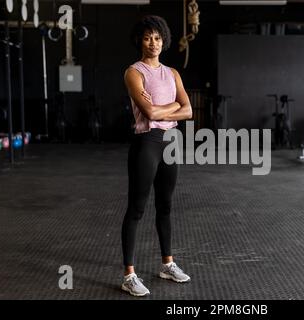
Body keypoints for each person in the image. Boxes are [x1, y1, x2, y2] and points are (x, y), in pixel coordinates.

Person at [121, 15, 193, 297]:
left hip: (170, 141)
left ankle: (167, 264)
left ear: (164, 41)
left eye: (159, 38)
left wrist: (165, 108)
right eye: (149, 37)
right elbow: (149, 114)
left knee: (165, 206)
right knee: (136, 209)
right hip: (147, 143)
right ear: (140, 40)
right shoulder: (134, 72)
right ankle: (129, 274)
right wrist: (173, 105)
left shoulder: (173, 73)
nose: (154, 43)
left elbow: (188, 111)